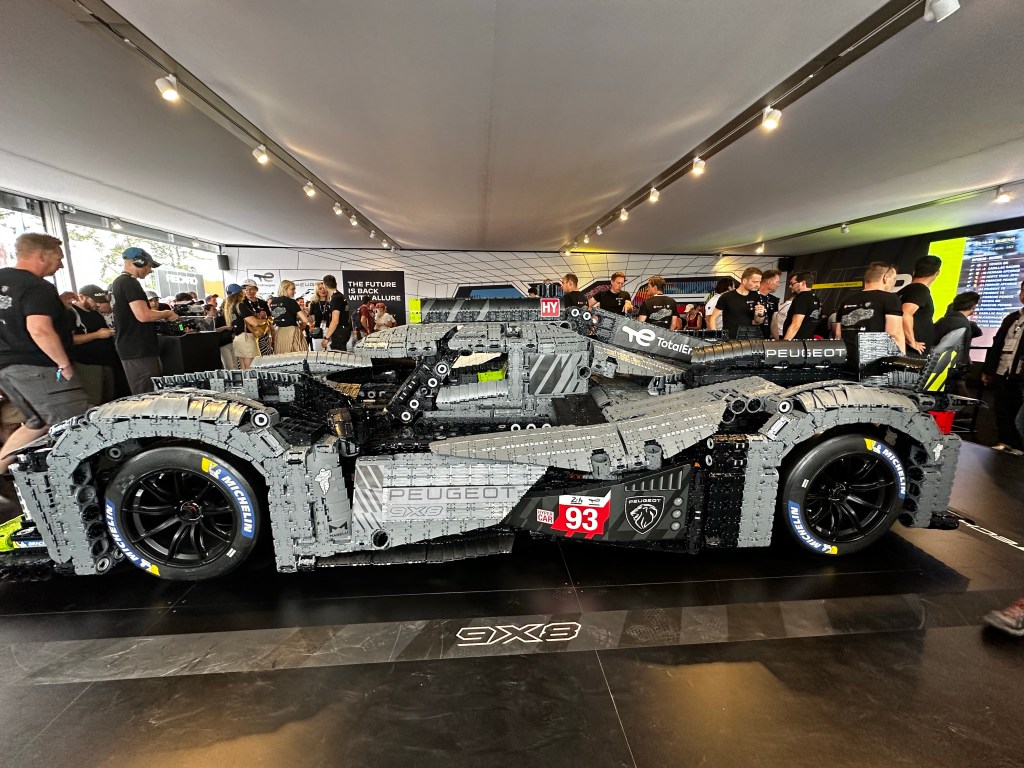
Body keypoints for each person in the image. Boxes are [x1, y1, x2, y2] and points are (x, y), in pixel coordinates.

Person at [0, 233, 90, 476]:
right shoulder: (36, 287)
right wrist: (63, 364)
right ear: (41, 255)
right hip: (37, 367)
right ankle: (75, 481)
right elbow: (39, 329)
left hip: (6, 368)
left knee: (37, 422)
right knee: (78, 421)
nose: (60, 265)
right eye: (58, 258)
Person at [110, 247, 178, 394]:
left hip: (135, 348)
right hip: (138, 350)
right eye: (149, 266)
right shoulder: (128, 282)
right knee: (148, 394)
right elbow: (143, 315)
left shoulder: (120, 283)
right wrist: (167, 313)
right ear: (139, 262)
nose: (150, 270)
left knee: (151, 391)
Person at [981, 281, 1024, 454]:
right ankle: (1005, 441)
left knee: (1018, 413)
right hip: (1002, 370)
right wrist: (988, 370)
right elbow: (997, 343)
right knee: (1002, 409)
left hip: (1020, 375)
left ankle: (1019, 446)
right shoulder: (1012, 317)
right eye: (1022, 290)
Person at [833, 262, 905, 354]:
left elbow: (838, 335)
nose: (894, 283)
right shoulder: (890, 299)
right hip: (876, 359)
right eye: (894, 279)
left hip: (848, 357)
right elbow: (894, 335)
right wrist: (901, 359)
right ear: (885, 278)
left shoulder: (845, 301)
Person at [70, 284, 125, 404]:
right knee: (94, 400)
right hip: (88, 364)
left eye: (100, 301)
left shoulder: (95, 312)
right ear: (81, 297)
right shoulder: (71, 313)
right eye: (94, 301)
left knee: (110, 399)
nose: (98, 304)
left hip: (107, 361)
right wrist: (97, 335)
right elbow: (69, 339)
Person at [899, 254, 942, 355]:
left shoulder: (907, 290)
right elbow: (905, 313)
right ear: (937, 272)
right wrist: (911, 341)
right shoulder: (919, 290)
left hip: (908, 351)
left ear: (914, 272)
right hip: (912, 352)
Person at [708, 268, 765, 339]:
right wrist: (716, 336)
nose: (758, 285)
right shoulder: (727, 297)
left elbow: (758, 322)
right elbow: (713, 318)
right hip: (730, 340)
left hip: (750, 339)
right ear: (744, 281)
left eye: (759, 282)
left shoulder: (756, 297)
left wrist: (760, 315)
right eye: (755, 282)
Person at [234, 279, 273, 363]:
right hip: (248, 335)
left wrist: (265, 317)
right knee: (250, 361)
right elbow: (250, 321)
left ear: (256, 290)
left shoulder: (262, 302)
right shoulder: (241, 303)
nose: (248, 291)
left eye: (251, 289)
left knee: (266, 359)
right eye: (246, 289)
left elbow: (270, 319)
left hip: (263, 334)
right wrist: (258, 318)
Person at [271, 279, 310, 354]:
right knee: (299, 356)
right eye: (292, 289)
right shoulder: (291, 302)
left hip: (279, 332)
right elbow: (305, 320)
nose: (294, 292)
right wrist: (302, 326)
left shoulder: (273, 302)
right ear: (285, 289)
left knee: (282, 356)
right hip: (292, 332)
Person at [782, 271, 822, 340]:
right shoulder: (816, 299)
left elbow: (795, 325)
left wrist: (785, 343)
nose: (790, 286)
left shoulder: (802, 298)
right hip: (808, 341)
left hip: (796, 342)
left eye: (792, 283)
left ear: (803, 283)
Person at [321, 274, 351, 351]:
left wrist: (326, 338)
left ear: (325, 285)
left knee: (338, 355)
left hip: (339, 332)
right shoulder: (340, 296)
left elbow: (335, 321)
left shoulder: (335, 298)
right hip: (343, 330)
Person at [757, 269, 781, 339]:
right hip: (750, 337)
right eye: (777, 282)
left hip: (766, 338)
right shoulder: (751, 296)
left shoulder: (774, 300)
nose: (778, 285)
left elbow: (774, 323)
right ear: (769, 282)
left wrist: (777, 341)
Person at [307, 282, 330, 349]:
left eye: (324, 288)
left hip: (330, 329)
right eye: (320, 288)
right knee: (318, 352)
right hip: (318, 330)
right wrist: (306, 313)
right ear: (317, 291)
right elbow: (312, 320)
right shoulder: (314, 303)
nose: (323, 290)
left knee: (331, 352)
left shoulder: (331, 301)